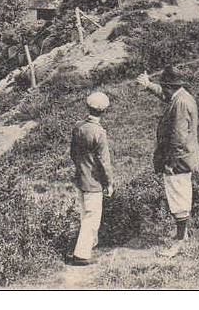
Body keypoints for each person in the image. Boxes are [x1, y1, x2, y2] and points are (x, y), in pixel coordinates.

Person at [136, 65, 199, 258]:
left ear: (170, 86)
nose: (162, 90)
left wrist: (171, 163)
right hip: (186, 158)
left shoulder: (179, 104)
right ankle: (184, 236)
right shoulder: (182, 96)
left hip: (178, 160)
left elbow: (178, 138)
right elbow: (166, 96)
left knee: (178, 200)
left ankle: (179, 243)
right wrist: (148, 85)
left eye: (163, 86)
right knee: (182, 196)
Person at [67, 91, 115, 266]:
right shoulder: (99, 132)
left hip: (80, 178)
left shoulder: (78, 127)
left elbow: (73, 153)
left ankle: (85, 247)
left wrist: (81, 168)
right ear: (103, 111)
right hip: (93, 181)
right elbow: (104, 162)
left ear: (88, 107)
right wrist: (109, 183)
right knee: (91, 218)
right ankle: (81, 255)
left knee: (84, 214)